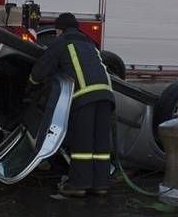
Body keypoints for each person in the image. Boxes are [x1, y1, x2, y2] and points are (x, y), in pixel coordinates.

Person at [28, 12, 115, 196]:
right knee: (100, 144)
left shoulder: (61, 42)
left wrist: (31, 85)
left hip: (85, 95)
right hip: (107, 95)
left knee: (82, 142)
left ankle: (79, 185)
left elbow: (41, 69)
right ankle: (100, 185)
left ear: (60, 29)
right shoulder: (90, 43)